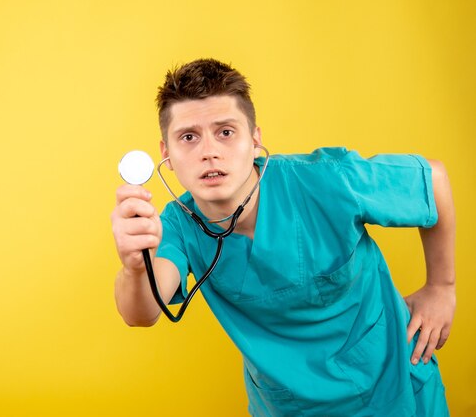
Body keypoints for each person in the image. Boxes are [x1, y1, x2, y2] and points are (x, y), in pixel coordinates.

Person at [111, 58, 456, 416]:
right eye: (188, 137)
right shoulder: (177, 226)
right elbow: (143, 313)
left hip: (393, 384)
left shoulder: (325, 181)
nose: (209, 151)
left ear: (255, 139)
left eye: (226, 132)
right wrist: (135, 267)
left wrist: (441, 287)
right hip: (289, 405)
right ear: (166, 153)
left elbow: (433, 180)